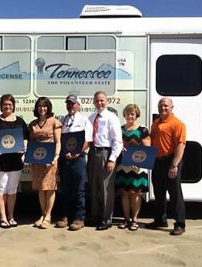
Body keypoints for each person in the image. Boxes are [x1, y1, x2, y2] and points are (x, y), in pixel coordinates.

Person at [0, 94, 28, 228]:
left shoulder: (20, 121)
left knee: (12, 189)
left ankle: (11, 216)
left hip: (15, 161)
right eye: (5, 105)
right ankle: (2, 217)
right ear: (1, 106)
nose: (7, 107)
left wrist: (24, 147)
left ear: (13, 106)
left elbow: (25, 137)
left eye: (10, 104)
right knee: (1, 188)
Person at [147, 97, 187, 236]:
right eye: (161, 105)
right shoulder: (156, 123)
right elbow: (150, 142)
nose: (163, 108)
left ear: (171, 107)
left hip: (171, 161)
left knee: (175, 193)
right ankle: (160, 220)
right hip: (158, 161)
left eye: (166, 105)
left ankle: (180, 223)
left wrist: (174, 165)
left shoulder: (178, 124)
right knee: (159, 192)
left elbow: (180, 145)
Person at [56, 95, 92, 231]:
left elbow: (88, 140)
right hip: (65, 159)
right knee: (65, 189)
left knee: (78, 190)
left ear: (78, 105)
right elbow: (60, 140)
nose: (70, 106)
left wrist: (77, 152)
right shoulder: (62, 121)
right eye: (68, 104)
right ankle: (65, 217)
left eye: (73, 104)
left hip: (78, 159)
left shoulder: (84, 120)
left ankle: (79, 218)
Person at [87, 91, 123, 231]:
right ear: (94, 102)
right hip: (92, 153)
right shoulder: (91, 118)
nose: (99, 103)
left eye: (102, 100)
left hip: (105, 154)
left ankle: (106, 219)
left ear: (106, 101)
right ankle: (95, 216)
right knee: (94, 186)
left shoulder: (111, 118)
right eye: (97, 101)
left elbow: (117, 142)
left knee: (106, 188)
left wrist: (112, 159)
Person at [115, 104, 150, 231]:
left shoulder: (143, 130)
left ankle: (135, 220)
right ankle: (126, 219)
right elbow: (116, 145)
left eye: (133, 114)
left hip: (137, 167)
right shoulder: (119, 129)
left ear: (137, 115)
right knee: (124, 193)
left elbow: (147, 149)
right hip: (123, 166)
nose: (130, 116)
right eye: (128, 114)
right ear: (124, 115)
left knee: (135, 193)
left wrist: (139, 161)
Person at [28, 97, 62, 229]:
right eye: (40, 106)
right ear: (37, 108)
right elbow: (31, 142)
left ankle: (48, 216)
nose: (42, 108)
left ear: (48, 107)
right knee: (40, 188)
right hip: (37, 160)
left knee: (50, 187)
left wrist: (56, 156)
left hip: (50, 160)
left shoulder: (54, 122)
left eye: (45, 106)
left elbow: (58, 141)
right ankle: (42, 214)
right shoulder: (32, 124)